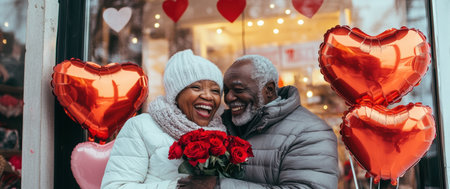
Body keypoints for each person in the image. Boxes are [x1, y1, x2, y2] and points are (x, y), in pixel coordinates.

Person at [101, 49, 225, 189]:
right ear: (176, 94)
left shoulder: (223, 132)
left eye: (215, 90)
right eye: (196, 87)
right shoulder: (141, 126)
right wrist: (180, 187)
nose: (208, 96)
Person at [219, 55, 339, 188]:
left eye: (238, 90)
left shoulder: (311, 132)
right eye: (226, 91)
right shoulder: (223, 125)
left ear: (269, 90)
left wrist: (218, 186)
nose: (229, 97)